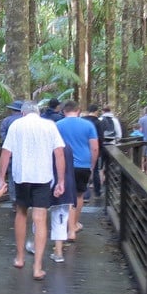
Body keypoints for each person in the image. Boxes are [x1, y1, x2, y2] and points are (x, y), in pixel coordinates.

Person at [0, 101, 66, 281]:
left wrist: (1, 179)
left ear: (22, 113)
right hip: (43, 177)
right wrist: (61, 181)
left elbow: (6, 153)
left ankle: (20, 258)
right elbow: (59, 153)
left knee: (21, 214)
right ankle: (37, 267)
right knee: (40, 218)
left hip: (21, 176)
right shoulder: (49, 125)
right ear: (38, 112)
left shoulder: (16, 125)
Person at [55, 100, 98, 241]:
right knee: (79, 196)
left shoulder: (57, 125)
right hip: (83, 165)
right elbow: (95, 147)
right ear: (78, 110)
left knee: (66, 196)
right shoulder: (88, 125)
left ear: (63, 111)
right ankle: (73, 227)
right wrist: (92, 165)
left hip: (64, 165)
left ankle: (68, 228)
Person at [48, 145, 77, 263]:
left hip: (48, 182)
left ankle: (35, 245)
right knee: (60, 218)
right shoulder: (67, 147)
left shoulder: (46, 146)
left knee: (39, 214)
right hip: (67, 183)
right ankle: (58, 252)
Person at [83, 104, 108, 198]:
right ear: (96, 111)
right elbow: (101, 138)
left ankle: (84, 192)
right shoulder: (98, 122)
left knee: (83, 169)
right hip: (95, 149)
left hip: (83, 148)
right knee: (95, 169)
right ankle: (97, 192)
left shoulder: (82, 120)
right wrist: (100, 149)